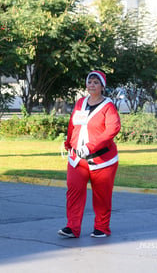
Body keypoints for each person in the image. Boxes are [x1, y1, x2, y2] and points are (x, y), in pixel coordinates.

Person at [58, 70, 121, 238]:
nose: (92, 85)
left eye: (96, 82)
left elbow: (112, 129)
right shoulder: (80, 103)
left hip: (102, 160)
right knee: (74, 192)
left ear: (102, 86)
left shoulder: (108, 107)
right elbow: (73, 125)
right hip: (77, 159)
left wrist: (90, 147)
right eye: (90, 82)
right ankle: (72, 227)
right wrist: (68, 142)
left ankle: (101, 227)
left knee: (101, 196)